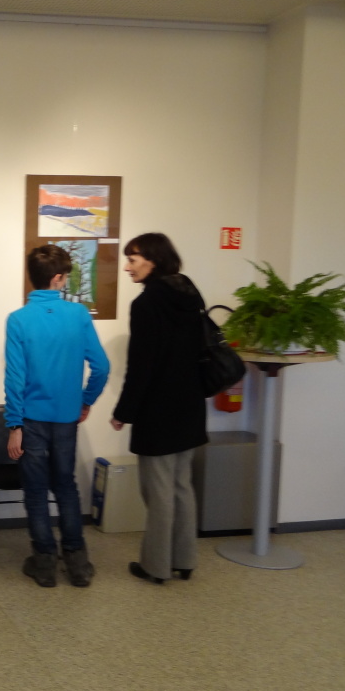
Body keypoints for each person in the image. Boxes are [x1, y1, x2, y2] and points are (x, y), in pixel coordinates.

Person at [4, 245, 110, 588]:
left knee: (35, 490)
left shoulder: (18, 319)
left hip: (31, 419)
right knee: (65, 486)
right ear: (58, 278)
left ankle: (45, 563)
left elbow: (15, 378)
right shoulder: (78, 315)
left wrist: (14, 425)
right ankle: (77, 563)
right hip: (66, 418)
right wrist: (86, 401)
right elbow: (101, 367)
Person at [110, 232, 207, 585]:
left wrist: (123, 412)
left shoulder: (147, 303)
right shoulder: (189, 292)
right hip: (191, 406)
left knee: (159, 492)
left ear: (152, 260)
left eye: (132, 260)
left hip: (159, 411)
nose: (127, 267)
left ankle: (156, 566)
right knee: (182, 486)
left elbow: (142, 366)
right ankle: (185, 560)